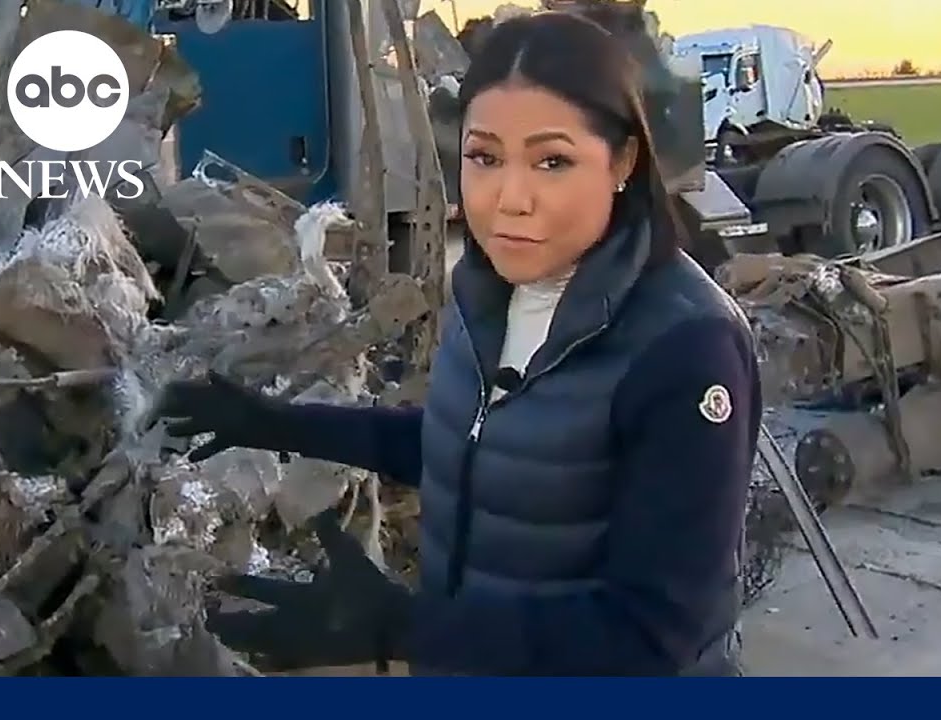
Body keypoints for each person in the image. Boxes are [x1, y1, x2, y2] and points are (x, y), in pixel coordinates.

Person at [155, 10, 762, 677]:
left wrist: (401, 627)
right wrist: (274, 423)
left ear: (623, 160)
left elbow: (652, 637)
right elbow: (468, 446)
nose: (510, 199)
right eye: (484, 157)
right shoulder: (490, 293)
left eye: (552, 160)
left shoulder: (686, 349)